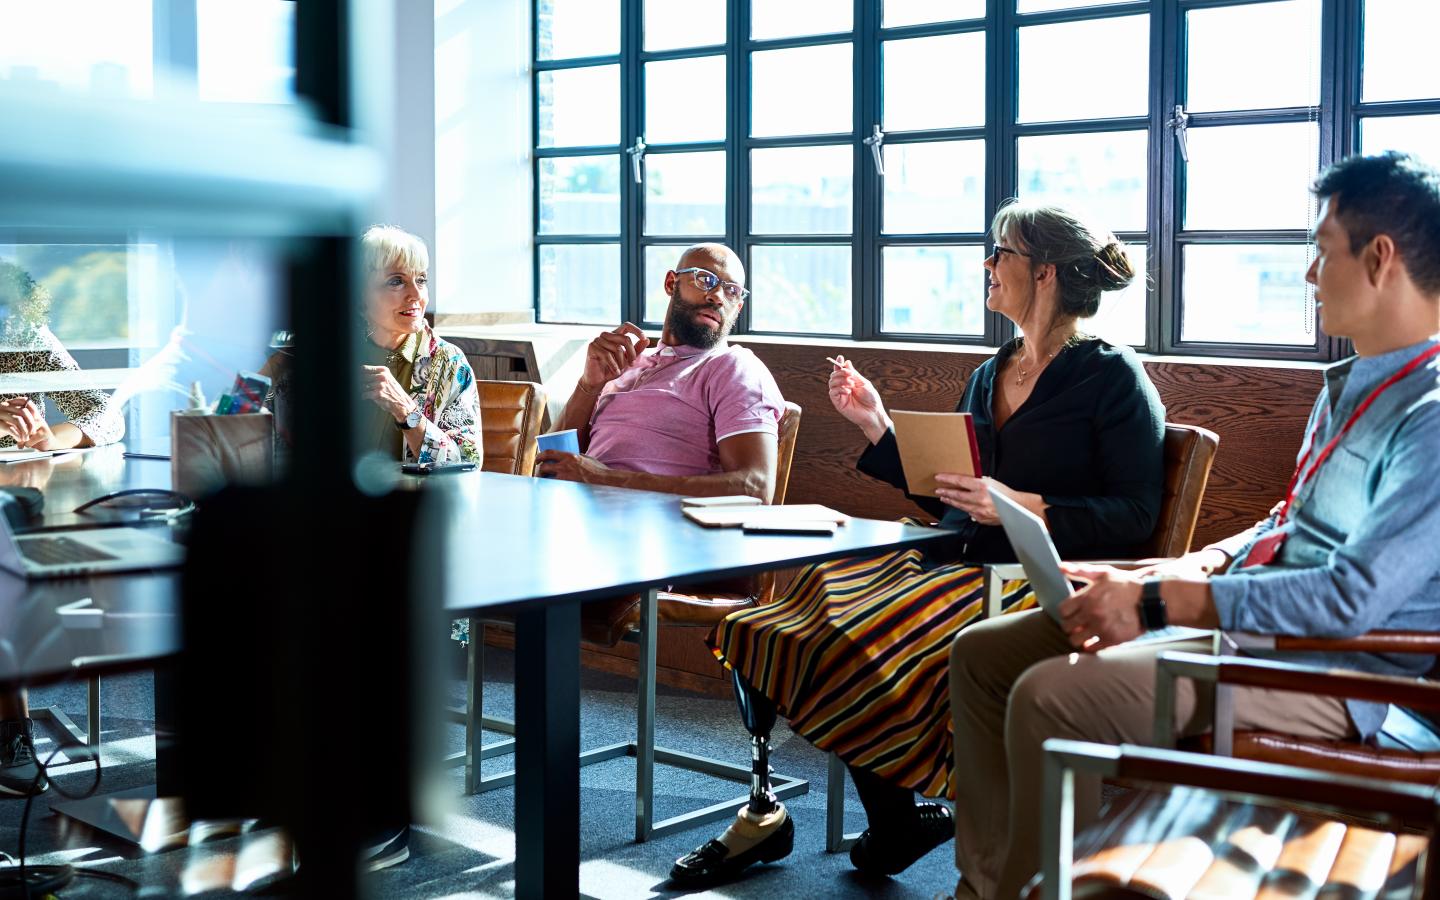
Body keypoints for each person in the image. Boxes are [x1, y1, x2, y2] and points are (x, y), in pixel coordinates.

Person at [948, 151, 1440, 900]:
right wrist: (1166, 571)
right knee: (983, 655)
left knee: (1050, 695)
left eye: (1321, 252)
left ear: (1379, 260)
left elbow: (1348, 600)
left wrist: (1157, 605)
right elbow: (1282, 527)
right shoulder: (1349, 387)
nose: (1310, 276)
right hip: (1252, 629)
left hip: (1332, 670)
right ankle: (984, 884)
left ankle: (1034, 891)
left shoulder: (1428, 418)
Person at [671, 203, 1165, 887]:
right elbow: (951, 496)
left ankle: (905, 815)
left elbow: (1135, 515)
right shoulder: (993, 371)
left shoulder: (1111, 376)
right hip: (958, 558)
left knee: (867, 628)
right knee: (790, 614)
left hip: (1032, 576)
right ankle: (893, 815)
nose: (988, 265)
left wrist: (1021, 505)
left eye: (1000, 254)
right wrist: (877, 426)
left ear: (1044, 272)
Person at [0, 259, 126, 797]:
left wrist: (47, 435)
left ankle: (9, 727)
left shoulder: (19, 332)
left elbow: (105, 416)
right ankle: (12, 727)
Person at [535, 242, 784, 499]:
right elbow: (550, 463)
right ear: (670, 283)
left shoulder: (734, 368)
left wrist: (604, 479)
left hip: (667, 529)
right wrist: (588, 385)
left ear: (738, 308)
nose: (717, 297)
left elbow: (755, 487)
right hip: (580, 518)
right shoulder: (625, 365)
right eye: (705, 279)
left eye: (731, 291)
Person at [261, 224, 481, 467]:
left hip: (410, 503)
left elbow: (467, 463)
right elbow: (255, 444)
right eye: (396, 281)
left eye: (421, 279)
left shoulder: (449, 362)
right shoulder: (325, 352)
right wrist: (269, 372)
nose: (416, 295)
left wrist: (407, 411)